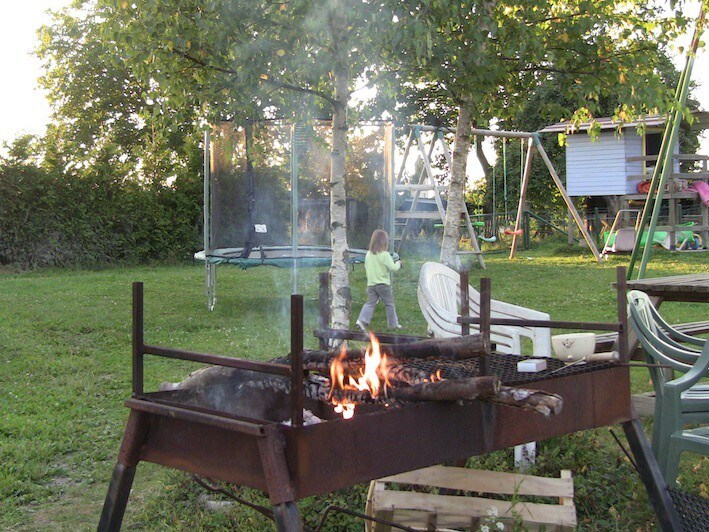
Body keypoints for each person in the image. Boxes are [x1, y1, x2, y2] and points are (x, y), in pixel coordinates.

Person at [356, 229, 402, 330]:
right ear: (384, 242)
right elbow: (393, 268)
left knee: (370, 303)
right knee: (389, 304)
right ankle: (393, 324)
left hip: (371, 284)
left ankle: (361, 320)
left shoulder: (368, 254)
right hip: (383, 284)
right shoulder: (385, 255)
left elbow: (366, 267)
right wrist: (398, 263)